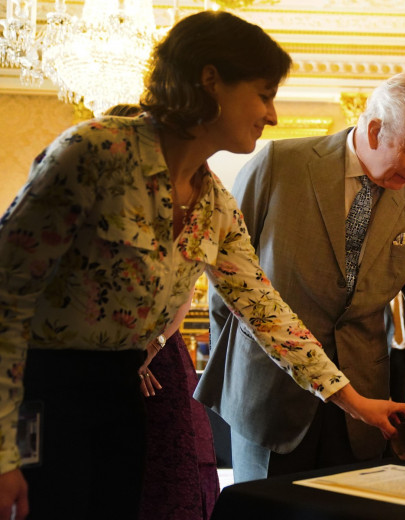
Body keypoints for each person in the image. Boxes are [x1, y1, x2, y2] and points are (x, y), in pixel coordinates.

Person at [0, 12, 405, 520]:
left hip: (124, 396)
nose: (273, 115)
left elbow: (266, 312)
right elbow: (7, 296)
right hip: (42, 394)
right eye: (264, 94)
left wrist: (357, 403)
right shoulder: (94, 152)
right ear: (210, 80)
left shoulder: (213, 201)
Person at [195, 71, 405, 482]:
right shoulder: (278, 165)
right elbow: (228, 283)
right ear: (374, 130)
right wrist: (236, 368)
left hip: (364, 407)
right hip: (270, 396)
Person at [104, 103, 220, 519]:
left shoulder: (196, 203)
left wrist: (149, 349)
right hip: (98, 357)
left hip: (161, 359)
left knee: (166, 478)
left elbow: (185, 292)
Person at [384, 293, 405, 403]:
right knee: (383, 401)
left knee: (401, 402)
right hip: (385, 356)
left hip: (404, 357)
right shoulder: (381, 298)